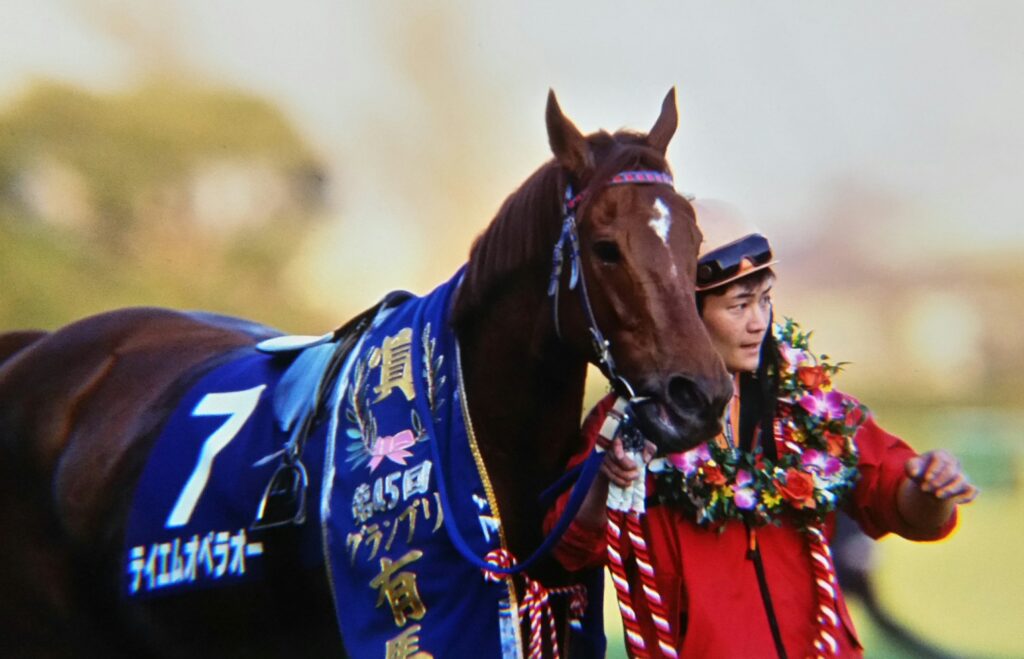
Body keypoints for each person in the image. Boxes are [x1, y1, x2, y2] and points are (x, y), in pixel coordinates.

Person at [545, 199, 979, 658]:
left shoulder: (808, 406)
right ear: (682, 315)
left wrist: (930, 491)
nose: (759, 322)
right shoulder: (627, 424)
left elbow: (894, 498)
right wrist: (605, 485)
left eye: (764, 299)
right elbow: (567, 551)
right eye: (739, 305)